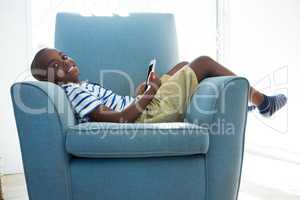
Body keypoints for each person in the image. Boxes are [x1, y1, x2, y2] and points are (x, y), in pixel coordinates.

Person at [30, 48, 287, 123]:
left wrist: (140, 92)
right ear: (49, 79)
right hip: (147, 116)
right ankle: (261, 101)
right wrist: (150, 94)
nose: (64, 62)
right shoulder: (73, 91)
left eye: (63, 56)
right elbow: (119, 118)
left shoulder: (81, 85)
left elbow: (119, 106)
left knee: (183, 65)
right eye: (55, 66)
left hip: (143, 107)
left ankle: (239, 105)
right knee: (203, 63)